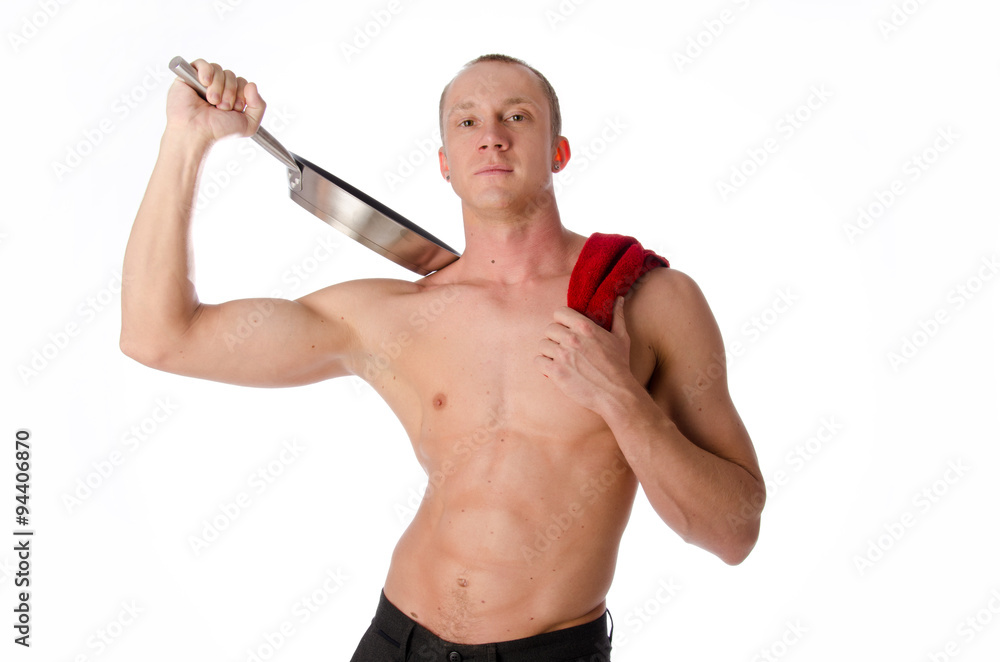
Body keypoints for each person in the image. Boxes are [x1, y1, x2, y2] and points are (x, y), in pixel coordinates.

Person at [120, 53, 765, 661]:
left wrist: (621, 400)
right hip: (397, 640)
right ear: (444, 163)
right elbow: (159, 336)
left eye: (517, 116)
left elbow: (733, 532)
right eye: (467, 121)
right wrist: (187, 140)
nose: (491, 135)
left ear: (559, 151)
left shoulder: (645, 302)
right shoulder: (389, 317)